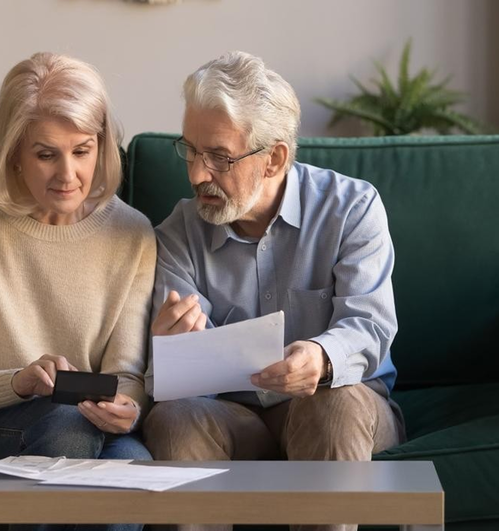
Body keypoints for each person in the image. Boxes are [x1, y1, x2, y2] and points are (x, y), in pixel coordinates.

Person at [142, 51, 406, 531]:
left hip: (340, 405)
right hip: (231, 415)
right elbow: (169, 380)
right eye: (191, 150)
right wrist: (168, 347)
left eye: (219, 157)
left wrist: (323, 359)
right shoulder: (177, 233)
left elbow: (370, 326)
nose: (197, 174)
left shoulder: (352, 209)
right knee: (175, 418)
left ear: (275, 158)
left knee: (333, 402)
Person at [0, 52, 156, 482]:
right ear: (14, 155)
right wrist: (20, 381)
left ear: (100, 146)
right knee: (68, 429)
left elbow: (125, 373)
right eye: (46, 154)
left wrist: (129, 408)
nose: (68, 175)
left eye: (82, 151)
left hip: (83, 423)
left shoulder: (133, 234)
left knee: (133, 463)